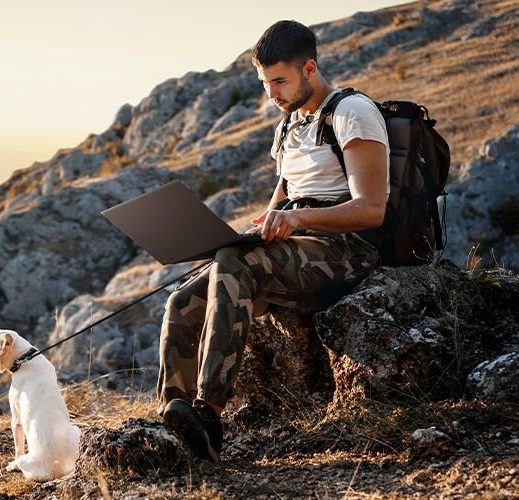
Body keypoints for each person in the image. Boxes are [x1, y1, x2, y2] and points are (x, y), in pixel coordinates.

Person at [156, 19, 390, 462]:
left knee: (235, 265)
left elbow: (371, 209)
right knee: (183, 300)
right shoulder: (287, 127)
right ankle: (174, 417)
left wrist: (298, 219)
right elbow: (280, 201)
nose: (272, 94)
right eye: (265, 83)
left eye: (279, 81)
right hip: (297, 249)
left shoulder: (352, 113)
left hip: (347, 250)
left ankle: (208, 416)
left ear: (309, 69)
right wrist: (250, 232)